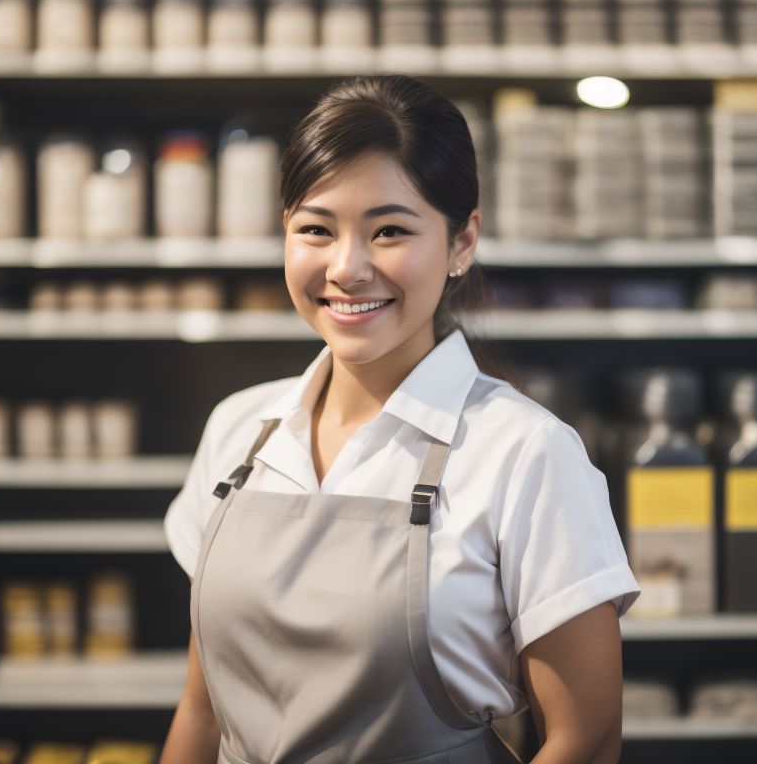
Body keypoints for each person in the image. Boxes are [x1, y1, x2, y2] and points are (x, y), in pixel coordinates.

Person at [160, 74, 639, 764]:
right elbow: (204, 710)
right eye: (315, 229)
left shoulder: (527, 453)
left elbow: (586, 740)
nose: (347, 268)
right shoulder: (239, 431)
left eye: (389, 231)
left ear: (461, 242)